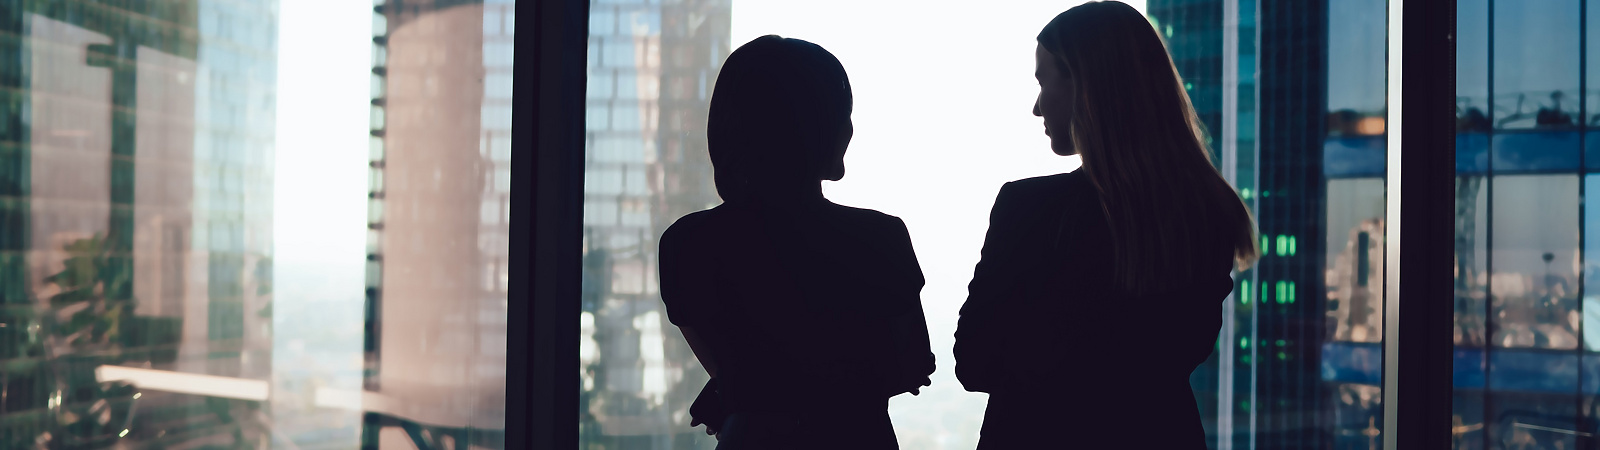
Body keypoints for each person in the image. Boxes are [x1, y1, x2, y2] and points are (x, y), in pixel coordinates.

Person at [952, 2, 1259, 448]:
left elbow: (974, 362)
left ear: (1084, 83)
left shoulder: (1030, 208)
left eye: (1043, 81)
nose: (1037, 107)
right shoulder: (1209, 212)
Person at [658, 35, 935, 450]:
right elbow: (910, 365)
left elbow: (733, 370)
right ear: (833, 131)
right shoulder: (880, 238)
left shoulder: (687, 243)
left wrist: (745, 393)